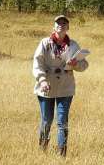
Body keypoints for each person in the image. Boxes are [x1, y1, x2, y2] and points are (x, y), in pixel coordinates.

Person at [31, 15, 89, 156]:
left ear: (68, 27)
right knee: (47, 120)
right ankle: (43, 149)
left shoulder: (73, 45)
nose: (61, 25)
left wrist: (77, 64)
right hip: (46, 87)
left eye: (64, 23)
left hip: (65, 87)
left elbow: (84, 65)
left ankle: (61, 153)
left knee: (62, 121)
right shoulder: (45, 43)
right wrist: (42, 80)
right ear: (54, 26)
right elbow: (37, 63)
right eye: (58, 23)